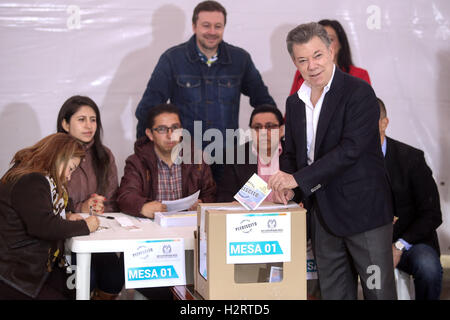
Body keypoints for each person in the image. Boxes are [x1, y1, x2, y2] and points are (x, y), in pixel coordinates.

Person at [268, 22, 396, 300]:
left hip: (365, 216)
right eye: (303, 59)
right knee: (334, 293)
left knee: (378, 292)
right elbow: (292, 153)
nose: (312, 65)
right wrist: (290, 187)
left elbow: (351, 149)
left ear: (331, 51)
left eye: (317, 55)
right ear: (295, 62)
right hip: (323, 216)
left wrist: (297, 179)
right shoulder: (294, 102)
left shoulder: (359, 92)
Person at [135, 0, 276, 143]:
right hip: (185, 157)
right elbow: (147, 110)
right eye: (206, 26)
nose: (212, 32)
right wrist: (144, 154)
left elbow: (265, 104)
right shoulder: (172, 59)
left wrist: (270, 139)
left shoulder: (240, 60)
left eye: (218, 26)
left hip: (228, 157)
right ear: (194, 27)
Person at [118, 103, 216, 299]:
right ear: (150, 134)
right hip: (152, 243)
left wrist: (203, 202)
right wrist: (142, 206)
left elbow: (212, 193)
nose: (170, 134)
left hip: (189, 240)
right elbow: (125, 196)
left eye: (175, 128)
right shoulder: (137, 161)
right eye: (162, 129)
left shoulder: (195, 158)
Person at [0, 133, 99, 299]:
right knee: (78, 289)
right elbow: (43, 226)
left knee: (78, 288)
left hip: (33, 265)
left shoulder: (40, 176)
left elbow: (57, 203)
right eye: (71, 168)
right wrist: (85, 226)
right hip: (16, 273)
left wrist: (67, 214)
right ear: (59, 157)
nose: (69, 176)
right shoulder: (31, 180)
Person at [57, 95, 124, 300]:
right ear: (65, 124)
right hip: (65, 236)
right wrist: (82, 207)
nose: (89, 126)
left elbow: (113, 199)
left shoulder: (105, 155)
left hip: (100, 235)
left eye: (93, 119)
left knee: (115, 277)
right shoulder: (55, 155)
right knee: (86, 278)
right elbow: (51, 204)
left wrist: (101, 206)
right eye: (81, 119)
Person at [378, 97, 443, 300]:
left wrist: (399, 246)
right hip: (369, 245)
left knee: (428, 267)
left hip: (411, 242)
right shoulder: (351, 161)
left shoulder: (411, 158)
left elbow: (432, 214)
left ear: (385, 123)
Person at [217, 104, 285, 202]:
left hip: (286, 214)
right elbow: (224, 195)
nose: (263, 132)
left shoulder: (294, 153)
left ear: (281, 130)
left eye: (269, 126)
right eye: (257, 127)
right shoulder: (236, 156)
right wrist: (234, 204)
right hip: (249, 216)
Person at [289, 19, 371, 95]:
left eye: (330, 39)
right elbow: (291, 108)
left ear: (340, 44)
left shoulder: (359, 75)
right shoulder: (302, 74)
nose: (325, 44)